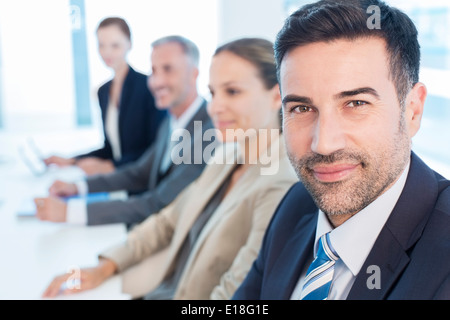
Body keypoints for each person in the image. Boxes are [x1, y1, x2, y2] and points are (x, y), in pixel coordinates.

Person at [41, 37, 298, 300]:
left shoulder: (278, 184)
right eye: (213, 93)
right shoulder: (226, 157)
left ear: (277, 95)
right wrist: (103, 268)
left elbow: (237, 295)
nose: (215, 107)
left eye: (232, 91)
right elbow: (166, 221)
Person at [233, 0, 450, 300]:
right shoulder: (296, 205)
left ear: (412, 110)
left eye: (356, 103)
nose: (323, 144)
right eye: (302, 108)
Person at [35, 35, 217, 227]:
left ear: (194, 74)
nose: (157, 81)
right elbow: (138, 173)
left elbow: (160, 202)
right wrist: (78, 187)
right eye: (153, 71)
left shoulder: (209, 131)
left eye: (168, 69)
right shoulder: (171, 122)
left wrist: (70, 212)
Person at [44, 17, 166, 175]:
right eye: (101, 45)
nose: (107, 52)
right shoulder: (103, 92)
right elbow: (110, 149)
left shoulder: (147, 86)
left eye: (115, 45)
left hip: (141, 181)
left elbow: (156, 149)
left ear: (129, 44)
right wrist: (72, 160)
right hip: (119, 180)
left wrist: (111, 166)